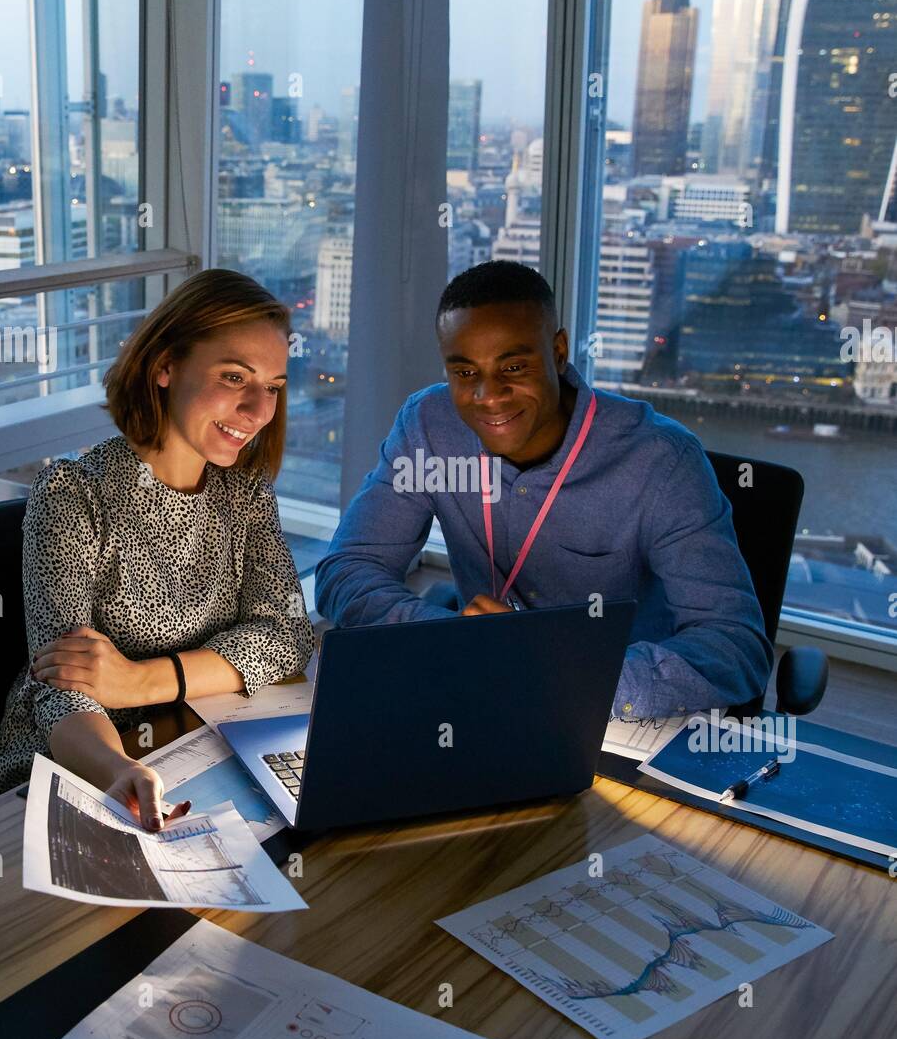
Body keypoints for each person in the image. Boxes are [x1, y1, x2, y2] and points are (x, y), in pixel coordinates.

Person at [316, 260, 773, 719]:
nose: (488, 396)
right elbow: (347, 569)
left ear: (558, 352)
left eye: (513, 367)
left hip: (615, 717)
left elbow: (735, 647)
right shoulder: (427, 425)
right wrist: (445, 634)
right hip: (477, 696)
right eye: (465, 373)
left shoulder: (661, 460)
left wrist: (557, 673)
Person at [0, 270, 314, 824]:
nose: (259, 411)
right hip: (76, 768)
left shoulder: (244, 490)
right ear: (165, 366)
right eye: (235, 376)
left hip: (197, 737)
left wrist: (141, 679)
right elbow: (60, 689)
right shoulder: (73, 492)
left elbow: (286, 635)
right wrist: (118, 769)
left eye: (273, 386)